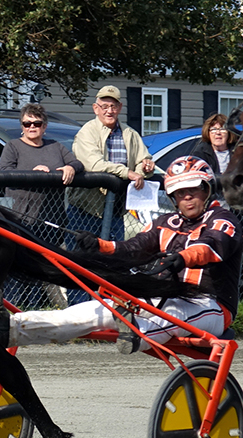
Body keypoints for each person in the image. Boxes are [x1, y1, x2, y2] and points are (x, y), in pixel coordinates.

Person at [0, 156, 242, 354]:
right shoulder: (164, 222)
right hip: (161, 298)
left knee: (171, 314)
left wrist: (184, 258)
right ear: (172, 197)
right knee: (90, 312)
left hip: (212, 305)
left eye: (193, 189)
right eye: (179, 192)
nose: (187, 196)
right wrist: (98, 245)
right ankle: (12, 328)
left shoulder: (223, 219)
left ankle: (136, 333)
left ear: (207, 188)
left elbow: (213, 245)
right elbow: (132, 248)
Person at [67, 85, 154, 303]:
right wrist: (127, 172)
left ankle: (107, 314)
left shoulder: (130, 134)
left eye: (113, 106)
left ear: (120, 108)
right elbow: (94, 164)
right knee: (81, 262)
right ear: (95, 108)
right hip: (86, 208)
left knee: (113, 261)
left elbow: (143, 160)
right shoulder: (87, 131)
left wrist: (146, 167)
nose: (109, 110)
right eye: (104, 106)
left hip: (116, 210)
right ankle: (78, 316)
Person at [0, 103, 83, 308]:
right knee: (17, 262)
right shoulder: (13, 146)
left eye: (36, 123)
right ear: (22, 126)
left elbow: (78, 163)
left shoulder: (55, 146)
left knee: (43, 263)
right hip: (20, 217)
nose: (31, 127)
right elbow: (4, 171)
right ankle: (13, 307)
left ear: (44, 126)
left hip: (51, 218)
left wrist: (70, 167)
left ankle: (37, 306)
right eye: (27, 123)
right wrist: (32, 171)